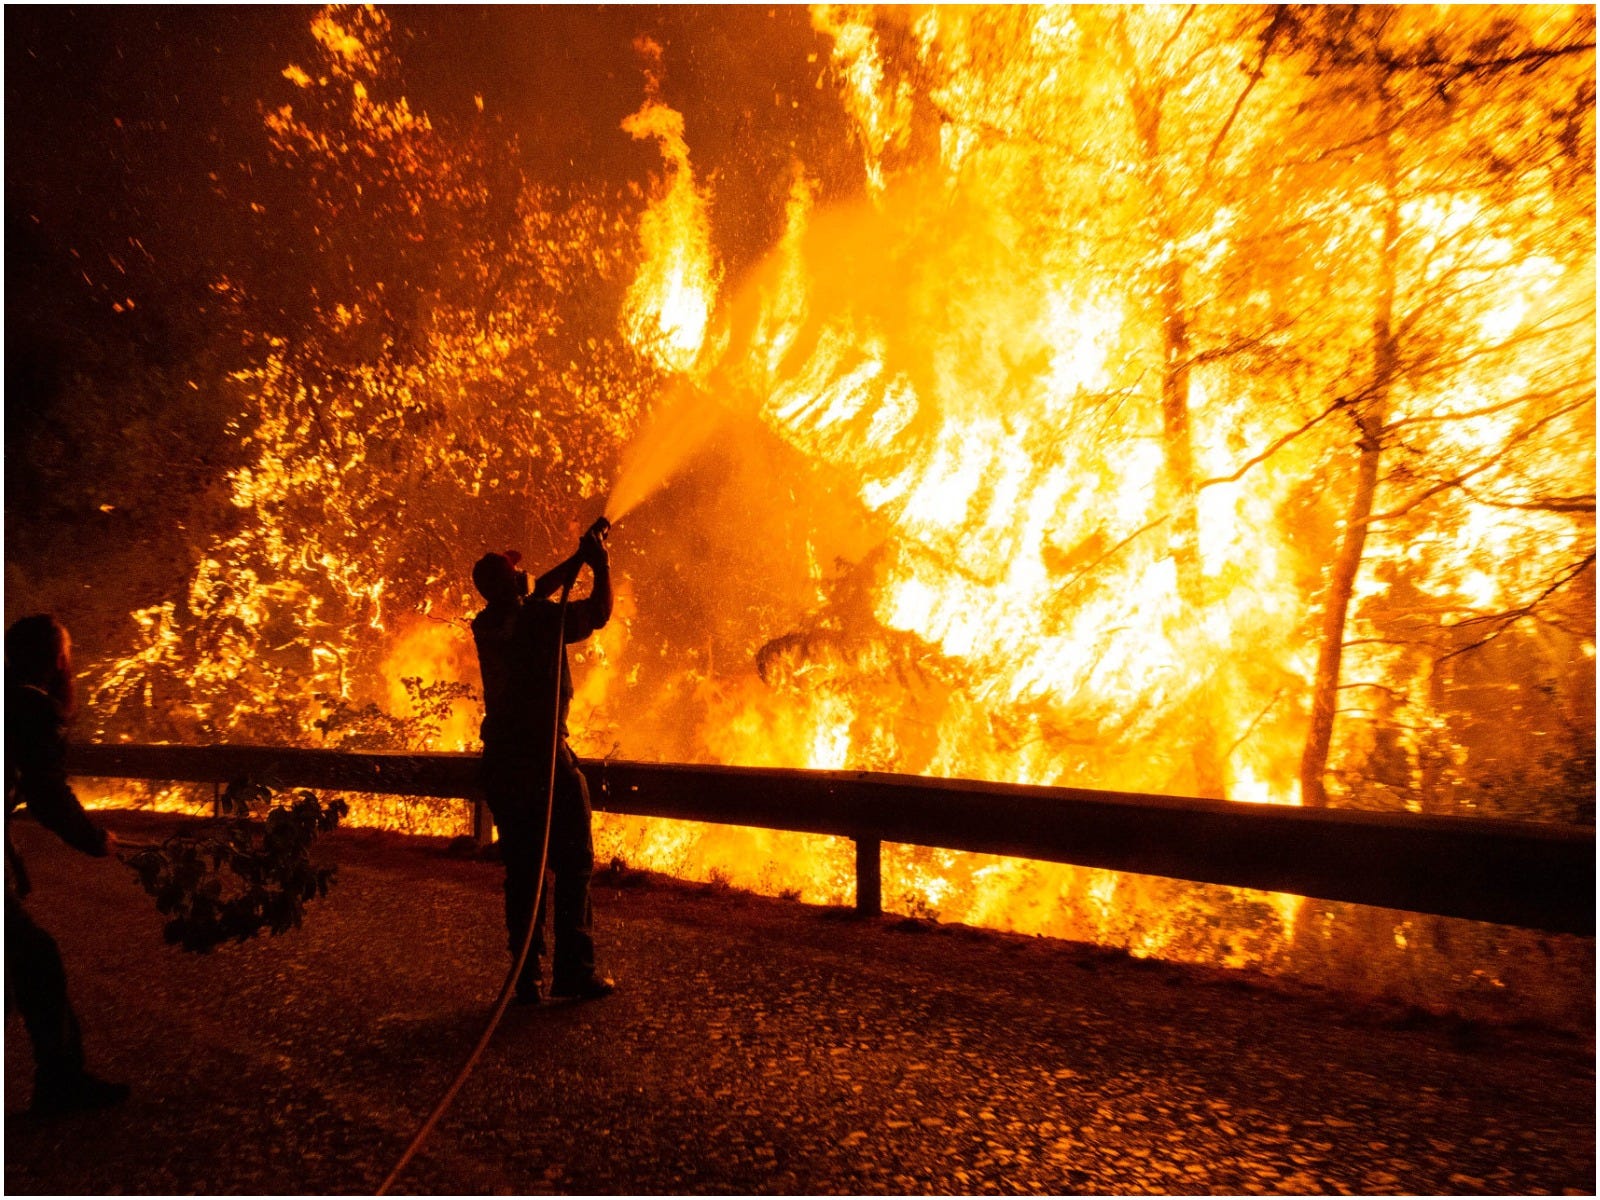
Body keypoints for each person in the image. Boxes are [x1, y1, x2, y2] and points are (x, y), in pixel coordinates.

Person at [471, 522, 615, 1004]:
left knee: (524, 873)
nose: (525, 575)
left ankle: (525, 978)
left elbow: (536, 590)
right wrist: (600, 565)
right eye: (518, 573)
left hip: (504, 768)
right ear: (513, 584)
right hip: (547, 764)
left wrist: (577, 557)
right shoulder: (540, 621)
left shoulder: (487, 623)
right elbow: (598, 612)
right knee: (574, 865)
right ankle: (575, 972)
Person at [5, 614, 130, 1114]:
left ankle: (60, 1078)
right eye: (68, 653)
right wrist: (93, 838)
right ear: (57, 660)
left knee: (27, 960)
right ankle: (60, 1083)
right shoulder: (29, 709)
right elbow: (47, 793)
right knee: (34, 960)